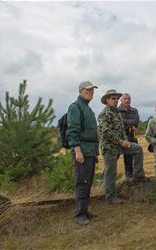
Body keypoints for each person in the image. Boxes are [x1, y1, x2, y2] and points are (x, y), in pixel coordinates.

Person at [98, 89, 148, 204]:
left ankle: (138, 175)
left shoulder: (116, 112)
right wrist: (121, 142)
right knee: (111, 172)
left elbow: (121, 129)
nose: (115, 100)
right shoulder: (103, 114)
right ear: (107, 100)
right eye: (113, 98)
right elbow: (106, 132)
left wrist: (125, 138)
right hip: (110, 147)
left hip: (121, 144)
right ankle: (110, 197)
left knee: (138, 149)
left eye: (116, 98)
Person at [66, 81, 99, 225]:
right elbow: (72, 131)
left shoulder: (87, 108)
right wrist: (77, 151)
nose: (91, 92)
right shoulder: (75, 107)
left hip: (90, 151)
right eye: (88, 90)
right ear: (80, 91)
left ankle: (85, 210)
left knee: (88, 182)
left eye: (92, 90)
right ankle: (79, 214)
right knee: (82, 182)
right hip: (82, 152)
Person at [117, 93, 140, 179]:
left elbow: (136, 122)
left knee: (129, 159)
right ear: (121, 100)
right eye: (125, 99)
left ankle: (130, 178)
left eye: (128, 99)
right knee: (113, 158)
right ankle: (105, 181)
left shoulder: (134, 110)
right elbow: (120, 123)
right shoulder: (116, 110)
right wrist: (130, 124)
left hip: (131, 137)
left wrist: (125, 122)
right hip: (119, 138)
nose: (127, 100)